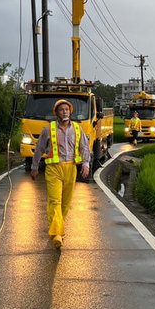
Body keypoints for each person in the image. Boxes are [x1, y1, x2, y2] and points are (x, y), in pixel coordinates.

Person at [31, 99, 90, 250]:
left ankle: (59, 230)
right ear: (56, 113)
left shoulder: (77, 129)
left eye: (67, 109)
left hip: (71, 168)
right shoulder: (48, 129)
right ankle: (57, 234)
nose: (65, 112)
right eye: (62, 110)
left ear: (70, 112)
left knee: (65, 203)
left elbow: (84, 147)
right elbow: (39, 149)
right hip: (53, 169)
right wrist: (35, 166)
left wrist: (85, 164)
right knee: (54, 201)